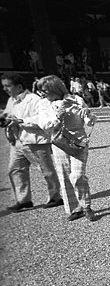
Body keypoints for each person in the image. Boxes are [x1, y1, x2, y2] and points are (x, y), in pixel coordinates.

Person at [20, 75, 98, 221]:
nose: (42, 94)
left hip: (78, 141)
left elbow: (90, 121)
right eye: (40, 91)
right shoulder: (43, 104)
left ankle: (86, 206)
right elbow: (45, 125)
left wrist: (88, 115)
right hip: (59, 142)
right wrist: (57, 116)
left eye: (44, 90)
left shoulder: (76, 99)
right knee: (63, 175)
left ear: (54, 88)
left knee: (77, 175)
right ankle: (75, 208)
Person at [1, 72, 62, 212]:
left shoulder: (34, 99)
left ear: (19, 86)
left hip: (35, 141)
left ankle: (55, 196)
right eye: (3, 86)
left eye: (8, 86)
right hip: (17, 141)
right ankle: (23, 200)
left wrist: (21, 121)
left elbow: (42, 119)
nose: (5, 89)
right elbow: (7, 114)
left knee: (46, 170)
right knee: (15, 170)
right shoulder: (12, 100)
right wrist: (5, 120)